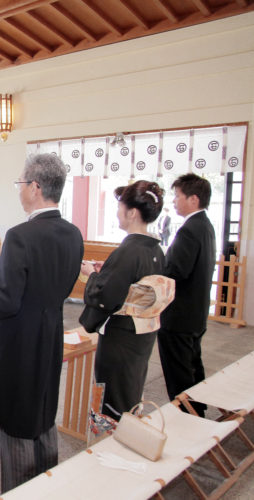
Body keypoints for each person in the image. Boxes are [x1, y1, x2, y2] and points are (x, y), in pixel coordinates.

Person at [0, 154, 83, 493]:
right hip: (50, 338)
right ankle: (47, 487)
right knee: (44, 414)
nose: (19, 191)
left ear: (35, 187)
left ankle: (20, 490)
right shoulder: (73, 234)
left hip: (19, 344)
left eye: (20, 184)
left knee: (17, 420)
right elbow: (57, 287)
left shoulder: (20, 235)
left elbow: (6, 301)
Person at [78, 181, 171, 422]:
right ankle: (127, 434)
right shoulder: (155, 250)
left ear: (131, 212)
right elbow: (126, 284)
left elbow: (106, 296)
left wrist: (92, 275)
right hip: (141, 335)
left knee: (112, 396)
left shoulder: (128, 251)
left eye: (120, 208)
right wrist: (105, 273)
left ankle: (109, 449)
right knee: (130, 390)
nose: (118, 213)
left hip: (121, 337)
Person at [158, 173, 216, 417]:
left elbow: (175, 270)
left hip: (180, 316)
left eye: (177, 196)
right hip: (196, 312)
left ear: (193, 199)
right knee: (193, 366)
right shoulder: (205, 226)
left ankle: (187, 418)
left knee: (179, 372)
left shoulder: (190, 230)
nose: (174, 201)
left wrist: (156, 262)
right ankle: (198, 410)